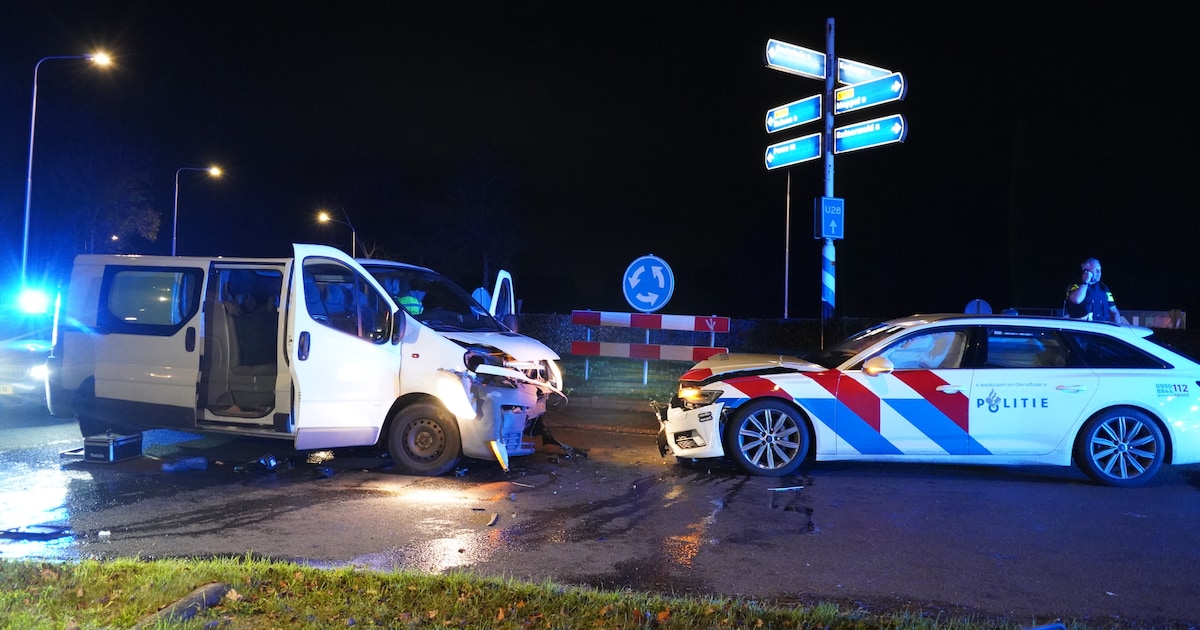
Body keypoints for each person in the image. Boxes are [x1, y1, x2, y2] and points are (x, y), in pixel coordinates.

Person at [1065, 258, 1121, 322]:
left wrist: (1118, 326)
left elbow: (1114, 311)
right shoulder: (1075, 285)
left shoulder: (1104, 288)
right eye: (1096, 270)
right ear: (1086, 271)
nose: (1099, 272)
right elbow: (1076, 299)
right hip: (1083, 328)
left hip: (1102, 328)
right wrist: (1085, 282)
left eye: (1100, 270)